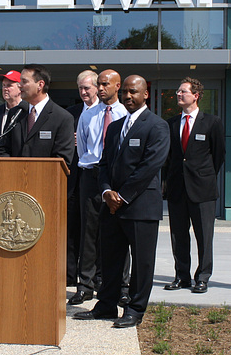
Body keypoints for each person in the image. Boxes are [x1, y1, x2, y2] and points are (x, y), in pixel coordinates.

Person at [74, 75, 169, 329]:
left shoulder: (157, 126)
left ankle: (135, 309)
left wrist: (122, 196)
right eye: (125, 92)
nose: (128, 96)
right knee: (111, 259)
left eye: (134, 92)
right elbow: (103, 164)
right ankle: (106, 305)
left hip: (140, 207)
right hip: (112, 205)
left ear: (145, 94)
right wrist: (106, 191)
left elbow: (149, 167)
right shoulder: (116, 127)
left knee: (141, 262)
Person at [163, 77, 225, 294]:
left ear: (196, 95)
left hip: (202, 190)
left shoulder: (212, 122)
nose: (179, 94)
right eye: (178, 91)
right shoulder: (170, 124)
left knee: (204, 236)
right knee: (178, 235)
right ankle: (182, 276)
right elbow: (168, 158)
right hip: (177, 189)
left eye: (183, 92)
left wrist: (203, 176)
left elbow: (218, 156)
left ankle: (203, 277)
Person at [70, 69, 127, 306]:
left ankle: (121, 286)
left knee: (119, 233)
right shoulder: (88, 115)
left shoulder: (125, 114)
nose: (101, 89)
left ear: (117, 86)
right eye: (99, 85)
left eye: (105, 84)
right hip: (91, 176)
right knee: (89, 232)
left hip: (116, 178)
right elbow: (82, 150)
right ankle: (85, 285)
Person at [0, 64, 74, 168]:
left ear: (40, 85)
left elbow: (62, 160)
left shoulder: (62, 118)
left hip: (45, 181)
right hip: (14, 180)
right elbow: (2, 149)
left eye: (24, 81)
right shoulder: (15, 113)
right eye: (19, 81)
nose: (19, 85)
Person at [66, 70, 99, 287]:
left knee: (92, 231)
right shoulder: (70, 114)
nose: (83, 91)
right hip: (72, 180)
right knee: (70, 230)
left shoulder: (104, 113)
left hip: (94, 180)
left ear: (97, 88)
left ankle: (95, 277)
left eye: (87, 87)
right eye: (80, 88)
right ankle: (69, 276)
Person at [0, 70, 25, 155]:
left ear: (20, 88)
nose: (5, 89)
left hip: (19, 163)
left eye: (9, 86)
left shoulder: (27, 110)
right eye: (3, 85)